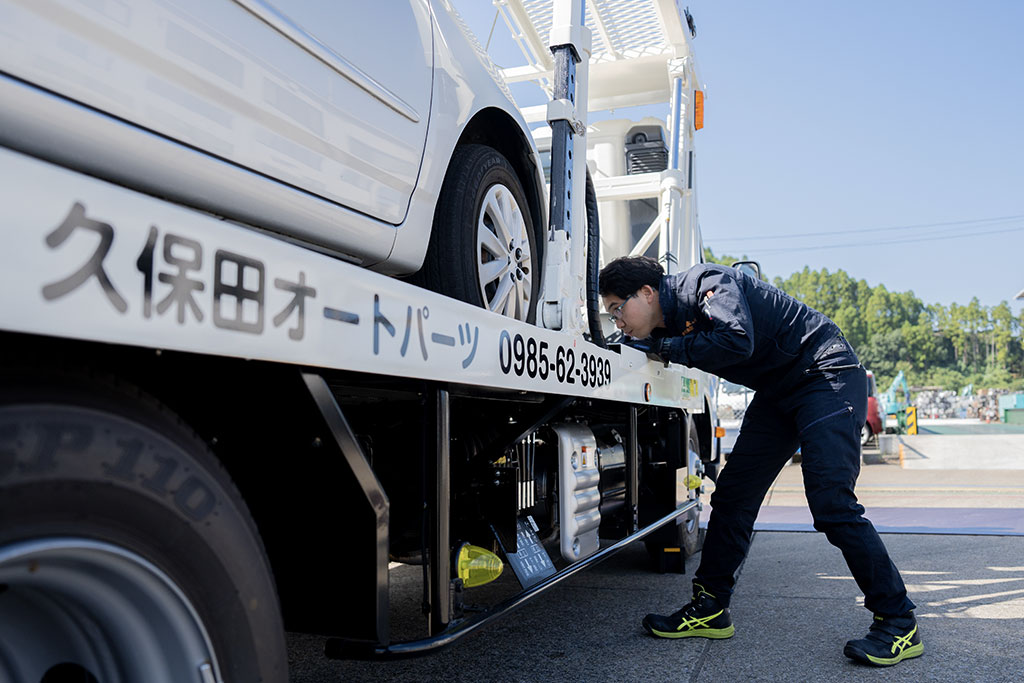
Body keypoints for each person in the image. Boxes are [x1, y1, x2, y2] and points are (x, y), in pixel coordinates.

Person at [598, 256, 922, 667]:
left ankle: (898, 622)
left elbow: (735, 340)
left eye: (616, 309)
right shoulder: (662, 321)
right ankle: (710, 607)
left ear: (646, 293)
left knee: (831, 503)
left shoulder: (707, 282)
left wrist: (663, 347)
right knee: (733, 497)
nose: (617, 321)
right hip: (778, 390)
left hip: (824, 374)